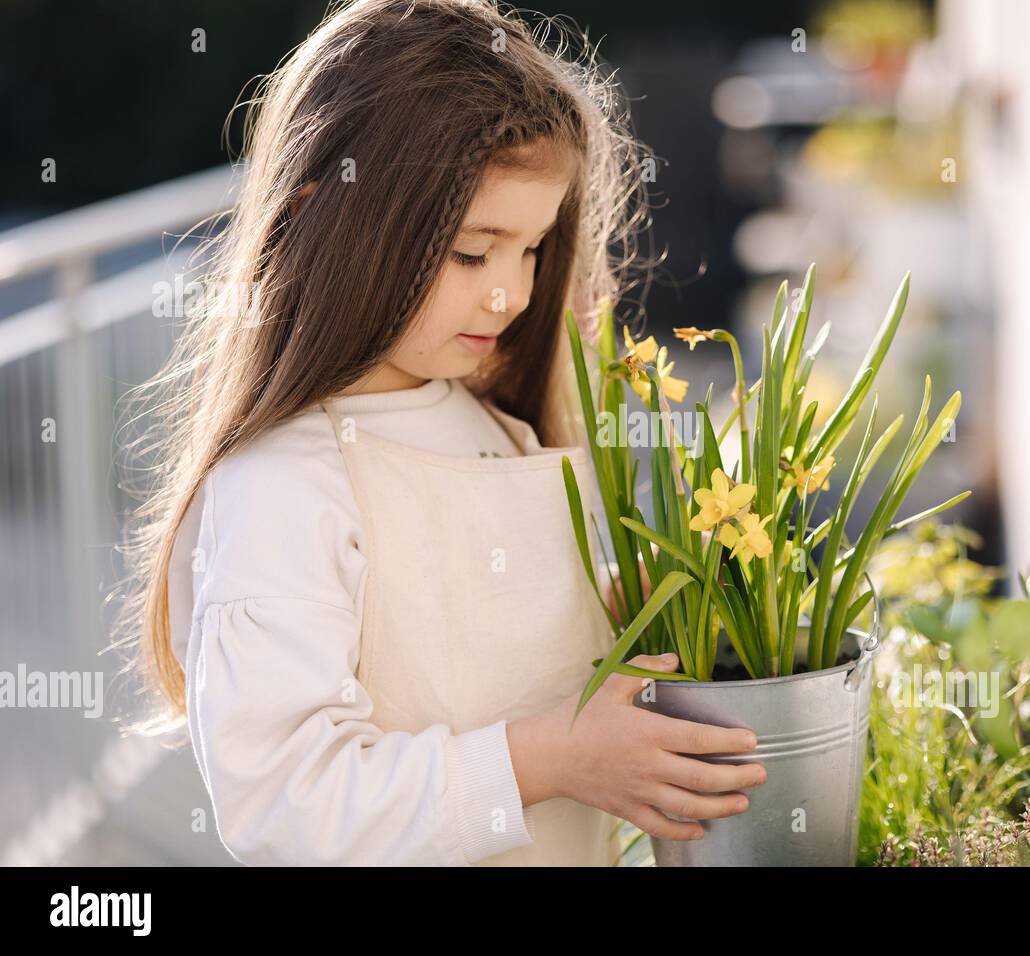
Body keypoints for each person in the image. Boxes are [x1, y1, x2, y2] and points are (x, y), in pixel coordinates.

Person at [116, 0, 764, 866]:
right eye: (473, 252)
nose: (512, 294)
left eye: (531, 249)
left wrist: (620, 604)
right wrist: (552, 760)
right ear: (323, 219)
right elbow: (283, 805)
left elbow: (476, 641)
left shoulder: (485, 421)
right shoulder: (283, 484)